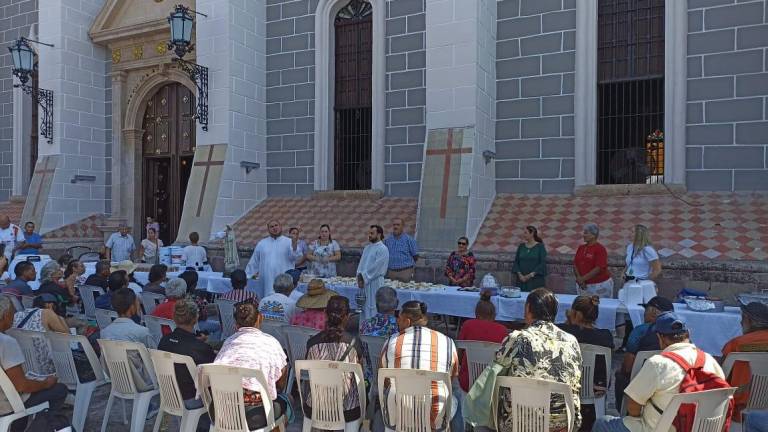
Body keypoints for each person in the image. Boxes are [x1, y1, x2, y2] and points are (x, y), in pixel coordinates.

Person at [592, 312, 726, 432]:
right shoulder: (711, 361)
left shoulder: (658, 364)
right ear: (688, 334)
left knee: (602, 423)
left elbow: (632, 408)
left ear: (660, 338)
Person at [485, 288, 583, 431]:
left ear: (528, 309)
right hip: (563, 423)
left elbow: (496, 368)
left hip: (519, 423)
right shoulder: (572, 341)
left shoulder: (517, 338)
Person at [380, 300, 458, 431]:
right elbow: (451, 378)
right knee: (457, 396)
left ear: (407, 322)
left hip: (399, 413)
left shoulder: (391, 342)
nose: (397, 322)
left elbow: (384, 379)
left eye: (399, 319)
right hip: (435, 414)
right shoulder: (448, 342)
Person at [213, 299, 289, 430]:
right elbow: (281, 382)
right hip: (254, 414)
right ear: (260, 318)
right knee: (287, 401)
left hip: (222, 411)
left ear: (236, 324)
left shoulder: (228, 343)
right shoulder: (272, 343)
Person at [0, 296, 71, 432]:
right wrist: (46, 383)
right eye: (12, 312)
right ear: (5, 315)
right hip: (6, 404)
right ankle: (42, 425)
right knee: (59, 389)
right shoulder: (6, 342)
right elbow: (22, 386)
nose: (14, 316)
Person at [303, 295, 364, 422]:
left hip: (315, 408)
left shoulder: (312, 343)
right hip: (347, 409)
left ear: (325, 313)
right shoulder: (354, 343)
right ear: (347, 316)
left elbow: (308, 375)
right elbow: (360, 377)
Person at [559, 295, 614, 431]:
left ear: (576, 313)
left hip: (565, 390)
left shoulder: (562, 332)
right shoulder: (606, 336)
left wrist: (569, 322)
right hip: (594, 394)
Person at [157, 297, 216, 418]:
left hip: (169, 395)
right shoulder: (200, 348)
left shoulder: (164, 340)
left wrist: (198, 342)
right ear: (195, 319)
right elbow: (214, 374)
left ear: (174, 318)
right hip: (192, 399)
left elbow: (182, 344)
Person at [614, 296, 673, 410]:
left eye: (646, 310)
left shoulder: (639, 331)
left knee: (620, 375)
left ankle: (623, 410)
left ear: (653, 312)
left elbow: (627, 367)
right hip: (667, 381)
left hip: (638, 382)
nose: (644, 314)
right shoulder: (676, 334)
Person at [100, 288, 157, 393]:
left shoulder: (105, 332)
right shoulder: (141, 331)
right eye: (137, 303)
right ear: (132, 307)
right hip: (142, 381)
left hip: (117, 379)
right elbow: (155, 355)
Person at [721, 302, 768, 421]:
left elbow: (721, 376)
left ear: (749, 321)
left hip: (739, 409)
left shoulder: (735, 344)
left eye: (743, 318)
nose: (740, 322)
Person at [457, 291, 509, 393]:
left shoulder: (468, 325)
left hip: (467, 381)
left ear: (476, 314)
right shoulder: (502, 330)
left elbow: (459, 354)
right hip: (492, 382)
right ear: (494, 315)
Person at [12, 293, 69, 375]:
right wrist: (60, 318)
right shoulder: (47, 312)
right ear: (50, 305)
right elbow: (68, 337)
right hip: (44, 367)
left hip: (21, 366)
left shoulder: (17, 315)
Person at [246, 220, 294, 298]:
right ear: (268, 230)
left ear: (280, 227)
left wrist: (294, 244)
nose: (274, 228)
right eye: (271, 226)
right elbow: (254, 261)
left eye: (276, 225)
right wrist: (246, 276)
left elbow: (295, 256)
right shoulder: (262, 243)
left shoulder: (289, 242)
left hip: (284, 281)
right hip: (267, 281)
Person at [356, 225, 389, 320]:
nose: (369, 235)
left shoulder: (383, 249)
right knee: (364, 308)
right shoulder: (367, 248)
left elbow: (377, 268)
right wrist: (359, 277)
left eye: (372, 233)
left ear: (379, 234)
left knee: (374, 306)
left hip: (375, 282)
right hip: (364, 283)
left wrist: (364, 277)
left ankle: (373, 330)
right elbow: (361, 264)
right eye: (369, 233)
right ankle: (363, 330)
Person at [573, 223, 613, 298]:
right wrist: (580, 280)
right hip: (582, 285)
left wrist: (582, 279)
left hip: (599, 286)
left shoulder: (600, 249)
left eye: (586, 233)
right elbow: (575, 264)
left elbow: (598, 268)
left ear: (593, 235)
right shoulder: (581, 248)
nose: (583, 235)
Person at [512, 226, 548, 292]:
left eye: (526, 233)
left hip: (535, 280)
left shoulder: (540, 247)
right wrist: (520, 275)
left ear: (532, 233)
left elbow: (542, 263)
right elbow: (516, 262)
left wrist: (529, 275)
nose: (523, 235)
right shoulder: (521, 246)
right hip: (521, 280)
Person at [383, 218, 419, 282]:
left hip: (405, 272)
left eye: (398, 225)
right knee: (392, 290)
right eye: (394, 225)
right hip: (391, 272)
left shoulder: (409, 239)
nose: (395, 227)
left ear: (403, 226)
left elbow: (415, 256)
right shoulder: (387, 240)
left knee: (405, 290)